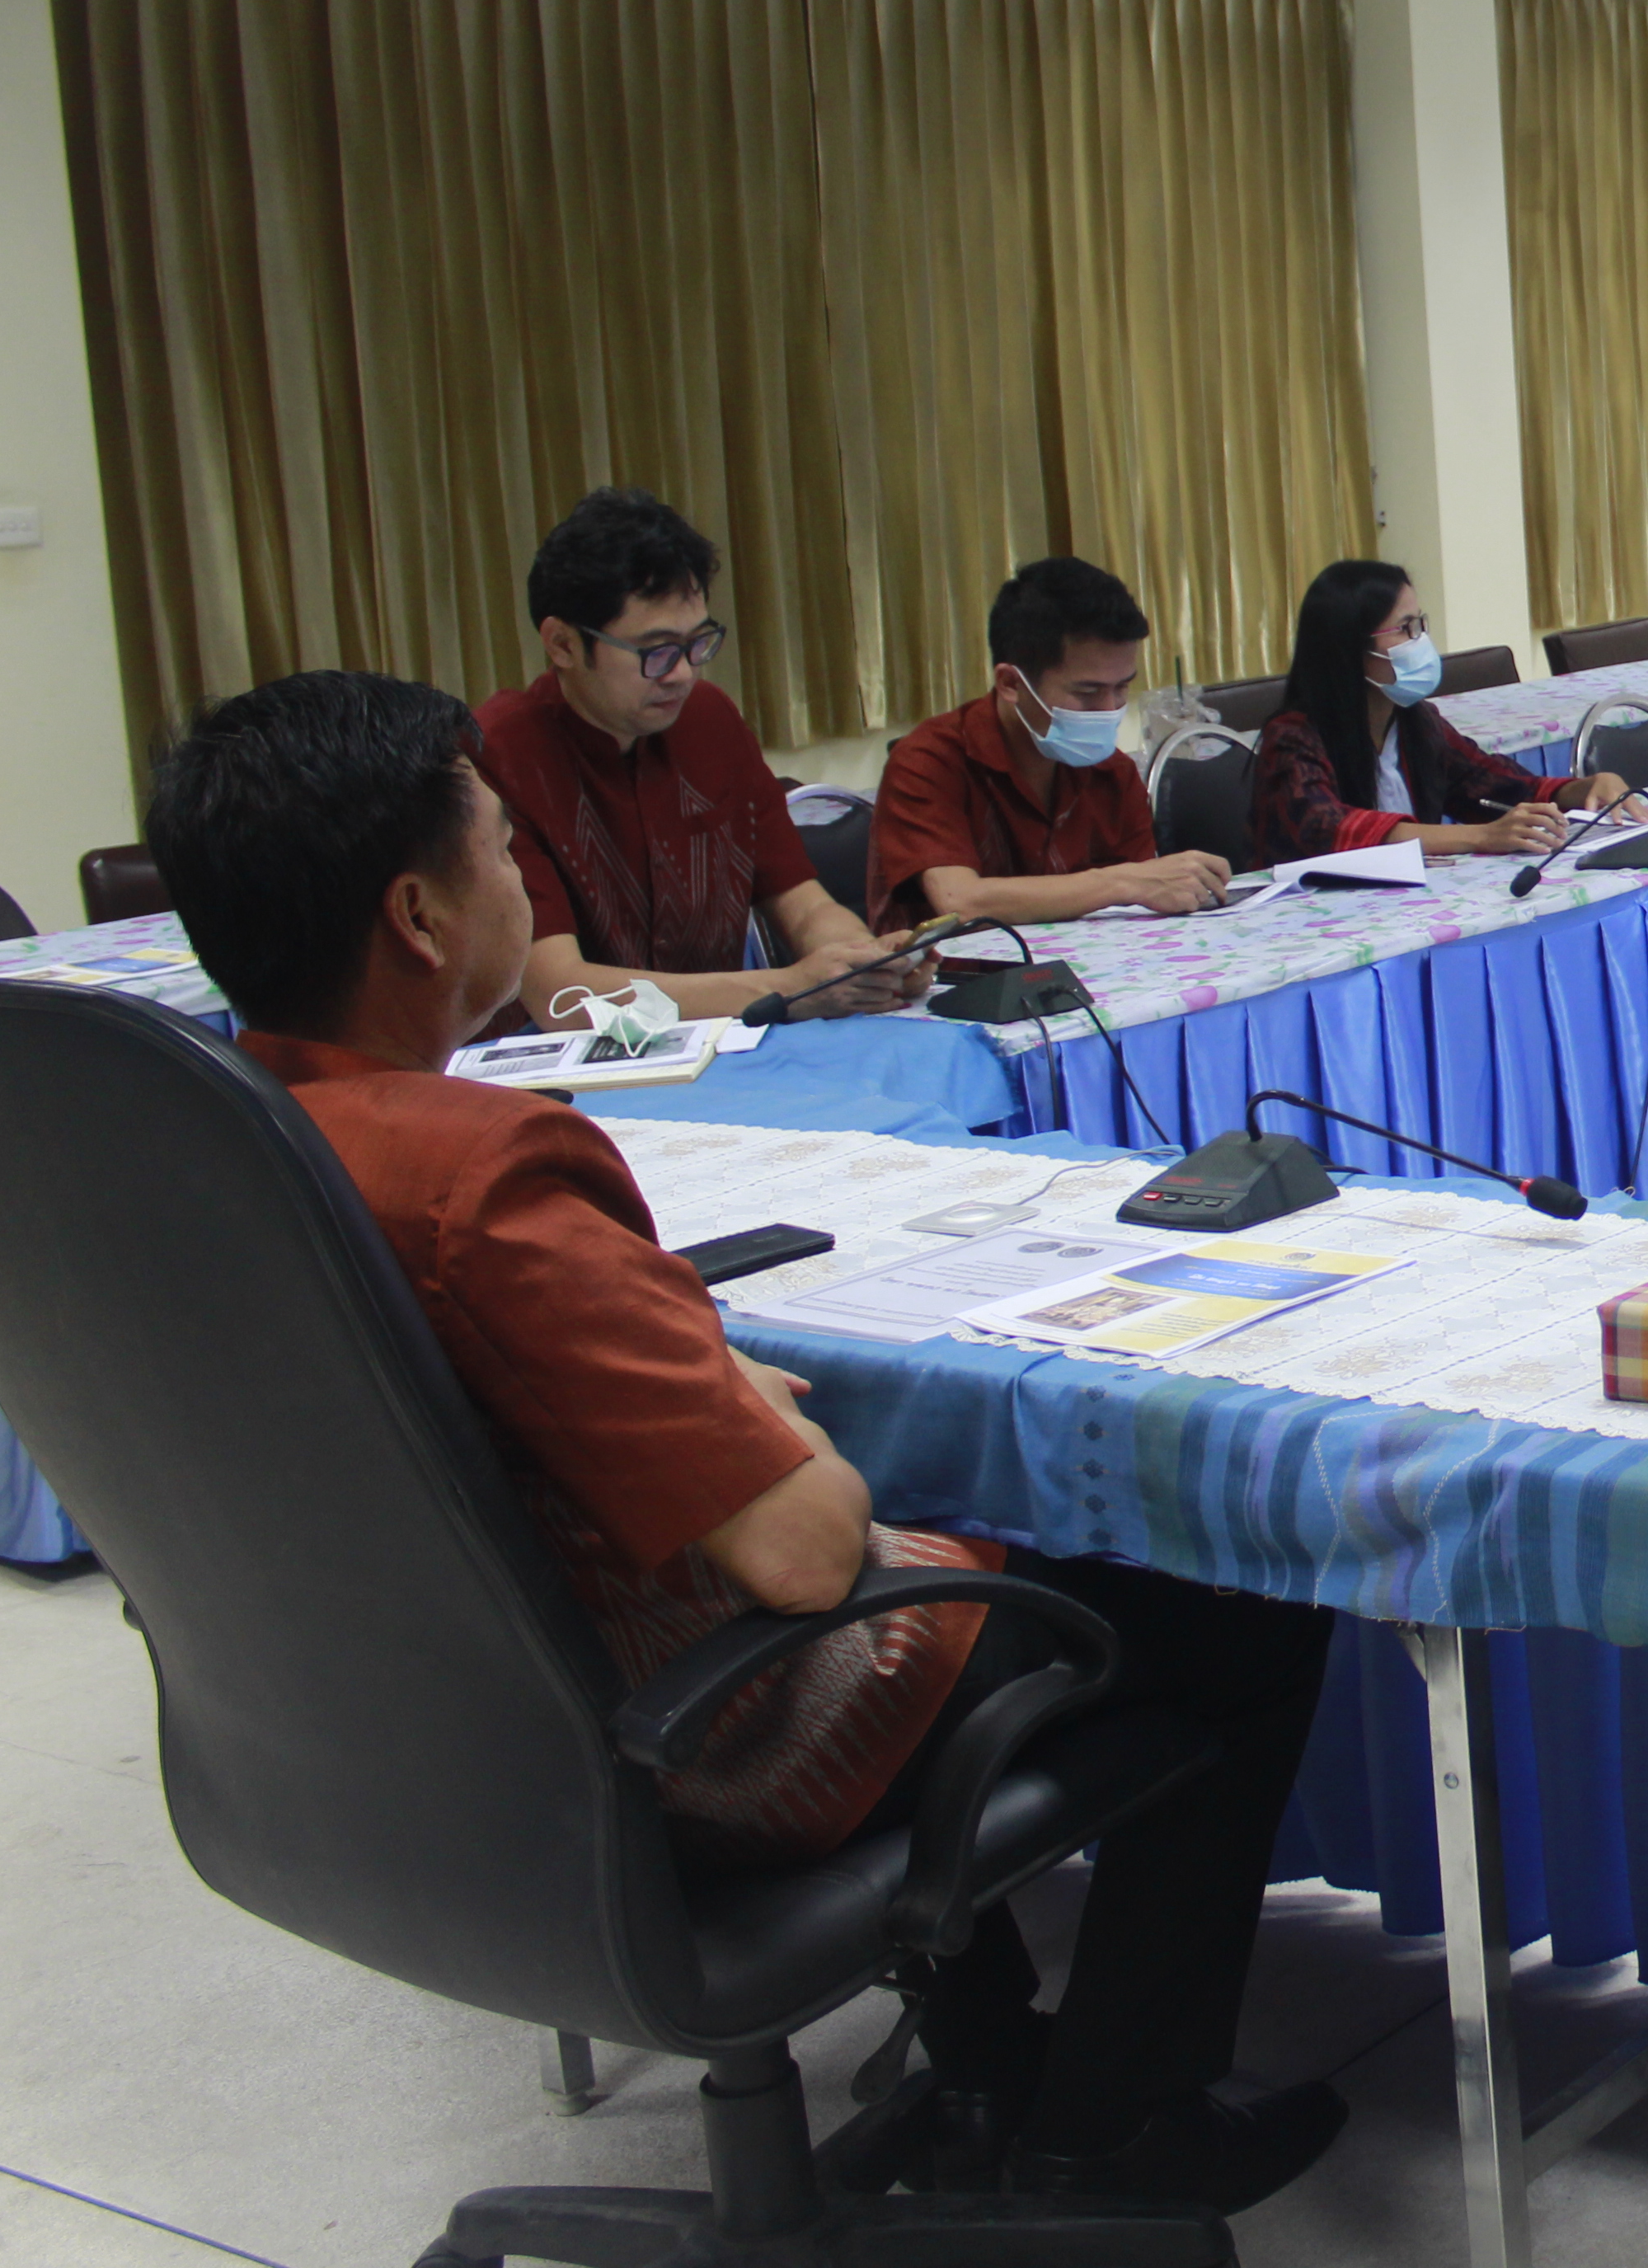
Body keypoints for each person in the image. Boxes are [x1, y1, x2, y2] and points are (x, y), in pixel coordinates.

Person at [143, 670, 1343, 2209]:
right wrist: (742, 1407)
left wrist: (695, 1388)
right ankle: (1113, 2132)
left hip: (391, 1747)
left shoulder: (207, 1142)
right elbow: (802, 1555)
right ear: (421, 918)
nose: (522, 879)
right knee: (1240, 1608)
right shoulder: (482, 1172)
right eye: (502, 849)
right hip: (679, 1736)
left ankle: (987, 2055)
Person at [472, 488, 931, 1031]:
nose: (684, 673)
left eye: (698, 644)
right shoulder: (497, 755)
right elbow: (562, 994)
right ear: (563, 645)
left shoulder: (709, 721)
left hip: (719, 1047)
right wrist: (792, 989)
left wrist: (866, 963)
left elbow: (803, 904)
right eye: (657, 652)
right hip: (567, 1065)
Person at [870, 557, 1231, 931]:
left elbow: (1146, 905)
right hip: (962, 967)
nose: (1109, 710)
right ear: (1011, 683)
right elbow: (960, 902)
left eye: (1122, 687)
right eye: (1087, 692)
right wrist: (1122, 883)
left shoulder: (1112, 772)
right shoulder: (928, 762)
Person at [1248, 560, 1635, 864]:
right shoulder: (1291, 737)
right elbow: (1329, 829)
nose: (1420, 641)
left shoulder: (1417, 722)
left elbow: (1491, 784)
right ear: (1348, 647)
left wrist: (1580, 789)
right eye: (1404, 628)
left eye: (1420, 624)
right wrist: (1480, 837)